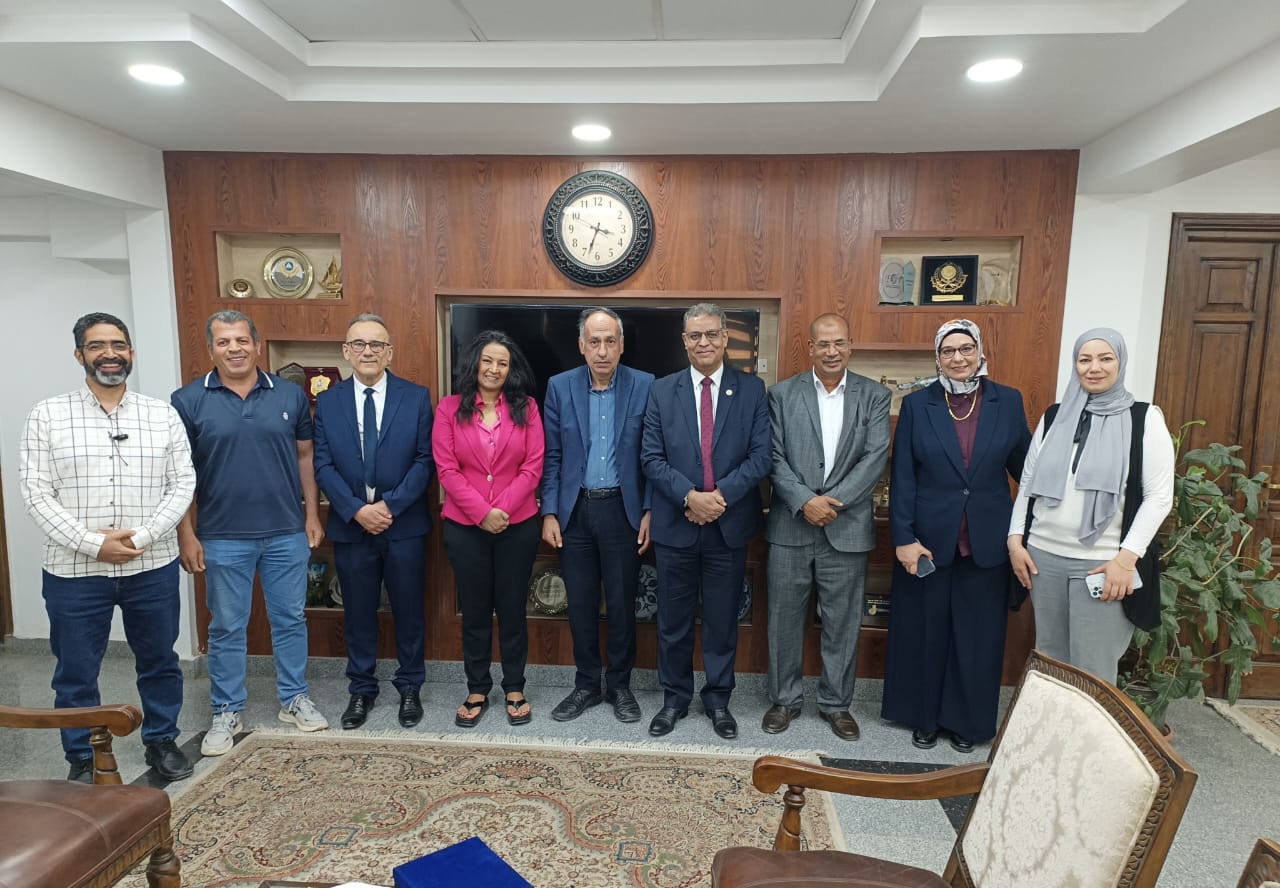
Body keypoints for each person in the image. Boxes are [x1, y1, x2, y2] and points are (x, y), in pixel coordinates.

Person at [19, 312, 197, 783]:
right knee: (76, 671)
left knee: (160, 661)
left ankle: (162, 740)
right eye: (97, 346)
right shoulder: (48, 415)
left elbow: (182, 484)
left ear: (131, 353)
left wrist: (142, 537)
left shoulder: (161, 414)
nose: (109, 354)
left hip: (151, 565)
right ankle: (83, 757)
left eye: (118, 345)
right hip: (75, 571)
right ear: (79, 355)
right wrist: (94, 544)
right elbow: (36, 493)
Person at [172, 309, 328, 757]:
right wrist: (186, 533)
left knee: (291, 619)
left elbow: (305, 456)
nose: (234, 349)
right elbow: (178, 475)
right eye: (224, 342)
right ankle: (226, 710)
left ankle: (294, 698)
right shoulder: (187, 400)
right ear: (211, 349)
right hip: (221, 536)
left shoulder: (289, 394)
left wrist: (312, 514)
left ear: (257, 345)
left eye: (242, 340)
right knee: (226, 626)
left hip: (285, 531)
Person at [881, 319, 1030, 753]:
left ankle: (968, 722)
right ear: (938, 358)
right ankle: (925, 718)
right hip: (928, 542)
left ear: (980, 352)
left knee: (978, 639)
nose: (958, 358)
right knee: (927, 633)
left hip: (988, 542)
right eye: (948, 351)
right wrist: (903, 537)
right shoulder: (918, 405)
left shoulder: (1007, 401)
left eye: (966, 349)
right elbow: (903, 476)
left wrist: (1025, 533)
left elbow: (1027, 474)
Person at [1008, 327, 1174, 684]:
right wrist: (1015, 541)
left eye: (1105, 358)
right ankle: (1053, 725)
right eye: (1085, 360)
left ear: (1120, 362)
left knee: (1093, 671)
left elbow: (1159, 497)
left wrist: (1125, 561)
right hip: (1043, 559)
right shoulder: (1054, 417)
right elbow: (1029, 483)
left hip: (1102, 565)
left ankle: (1089, 728)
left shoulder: (1144, 419)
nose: (1094, 367)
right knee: (1050, 663)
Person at [641, 303, 771, 739]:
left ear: (725, 338)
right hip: (676, 525)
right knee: (673, 621)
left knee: (721, 620)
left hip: (727, 525)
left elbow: (761, 456)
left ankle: (718, 700)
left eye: (712, 334)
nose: (704, 342)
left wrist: (719, 497)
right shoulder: (661, 391)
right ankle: (674, 699)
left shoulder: (751, 390)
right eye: (695, 335)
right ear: (684, 341)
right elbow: (651, 457)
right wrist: (690, 497)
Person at [764, 314, 891, 740]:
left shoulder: (874, 396)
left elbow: (875, 457)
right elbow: (773, 457)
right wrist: (805, 501)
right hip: (791, 526)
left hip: (846, 526)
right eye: (823, 344)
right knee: (784, 621)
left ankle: (836, 704)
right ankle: (784, 700)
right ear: (811, 348)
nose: (831, 351)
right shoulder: (782, 394)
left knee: (843, 623)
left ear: (850, 345)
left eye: (839, 343)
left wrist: (831, 503)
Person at [313, 313, 434, 730]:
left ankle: (410, 686)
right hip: (351, 525)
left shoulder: (415, 397)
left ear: (390, 352)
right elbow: (323, 464)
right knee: (358, 612)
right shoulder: (328, 401)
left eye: (377, 344)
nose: (368, 351)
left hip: (404, 525)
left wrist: (390, 506)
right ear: (346, 352)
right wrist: (356, 509)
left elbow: (425, 460)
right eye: (360, 344)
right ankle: (361, 689)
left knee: (409, 610)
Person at [540, 308, 654, 724]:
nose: (602, 350)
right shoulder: (560, 386)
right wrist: (549, 511)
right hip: (575, 511)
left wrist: (649, 510)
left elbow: (653, 455)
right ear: (581, 346)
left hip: (623, 509)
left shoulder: (645, 385)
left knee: (622, 604)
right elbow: (552, 455)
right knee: (581, 603)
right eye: (594, 342)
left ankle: (620, 685)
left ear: (621, 345)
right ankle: (587, 684)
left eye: (610, 341)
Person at [434, 330, 544, 729]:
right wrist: (482, 512)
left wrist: (503, 510)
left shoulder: (527, 408)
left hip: (518, 525)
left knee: (513, 609)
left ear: (511, 370)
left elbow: (533, 465)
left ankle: (514, 687)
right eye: (488, 361)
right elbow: (446, 469)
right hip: (465, 527)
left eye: (503, 363)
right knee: (476, 611)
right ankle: (477, 687)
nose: (495, 369)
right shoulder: (449, 409)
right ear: (474, 364)